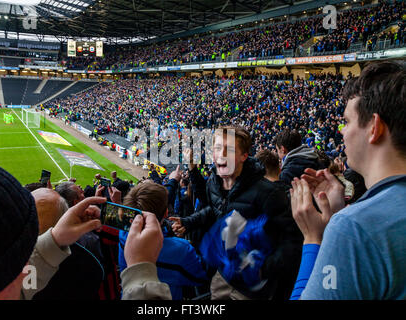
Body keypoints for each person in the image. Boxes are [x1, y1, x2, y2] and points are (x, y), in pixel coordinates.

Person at [290, 61, 406, 300]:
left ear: (374, 128)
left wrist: (314, 238)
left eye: (347, 121)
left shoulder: (352, 228)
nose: (342, 131)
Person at [170, 126, 302, 300]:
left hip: (250, 290)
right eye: (217, 148)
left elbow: (292, 244)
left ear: (244, 156)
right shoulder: (214, 182)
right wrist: (188, 222)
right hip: (222, 277)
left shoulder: (268, 193)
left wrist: (260, 269)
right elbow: (213, 208)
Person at [0, 149, 106, 300]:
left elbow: (24, 287)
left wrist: (55, 240)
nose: (26, 268)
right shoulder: (89, 265)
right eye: (16, 258)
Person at [98, 181, 209, 300]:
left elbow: (127, 222)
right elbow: (201, 277)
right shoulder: (181, 249)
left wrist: (118, 204)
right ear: (166, 213)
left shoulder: (124, 234)